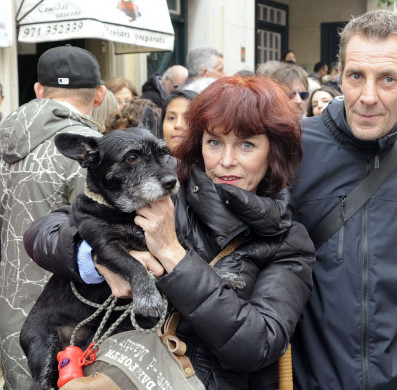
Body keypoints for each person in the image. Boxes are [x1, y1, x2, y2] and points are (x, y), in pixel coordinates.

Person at [23, 75, 315, 389]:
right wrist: (94, 258)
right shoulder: (164, 190)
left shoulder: (287, 241)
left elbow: (257, 345)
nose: (227, 161)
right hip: (117, 368)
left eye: (247, 144)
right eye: (214, 142)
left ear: (274, 150)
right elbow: (44, 231)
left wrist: (174, 255)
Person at [291, 10, 397, 390]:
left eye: (387, 79)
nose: (367, 97)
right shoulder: (293, 149)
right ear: (339, 73)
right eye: (356, 76)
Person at [0, 44, 106, 390]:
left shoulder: (4, 138)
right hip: (64, 322)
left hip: (9, 308)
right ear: (100, 95)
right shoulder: (91, 149)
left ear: (39, 91)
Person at [159, 90, 198, 154]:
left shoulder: (211, 163)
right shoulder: (149, 162)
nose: (178, 125)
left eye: (187, 119)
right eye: (171, 118)